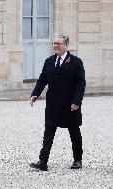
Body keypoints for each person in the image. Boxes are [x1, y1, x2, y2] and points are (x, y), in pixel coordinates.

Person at [29, 33, 86, 171]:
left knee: (74, 132)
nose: (55, 46)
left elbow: (81, 83)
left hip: (70, 104)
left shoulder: (76, 62)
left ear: (66, 45)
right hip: (53, 104)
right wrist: (35, 94)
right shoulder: (49, 61)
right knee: (48, 131)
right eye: (54, 43)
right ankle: (43, 161)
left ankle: (77, 159)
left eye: (58, 44)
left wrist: (77, 101)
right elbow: (43, 79)